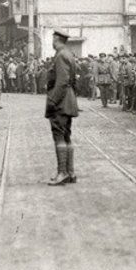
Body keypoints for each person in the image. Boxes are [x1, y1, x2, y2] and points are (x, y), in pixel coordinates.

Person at [45, 30, 79, 186]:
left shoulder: (60, 55)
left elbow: (62, 81)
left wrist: (52, 100)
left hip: (61, 101)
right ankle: (70, 172)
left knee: (59, 135)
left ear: (56, 39)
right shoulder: (68, 54)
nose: (52, 41)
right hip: (68, 100)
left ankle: (62, 172)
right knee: (66, 135)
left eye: (53, 38)